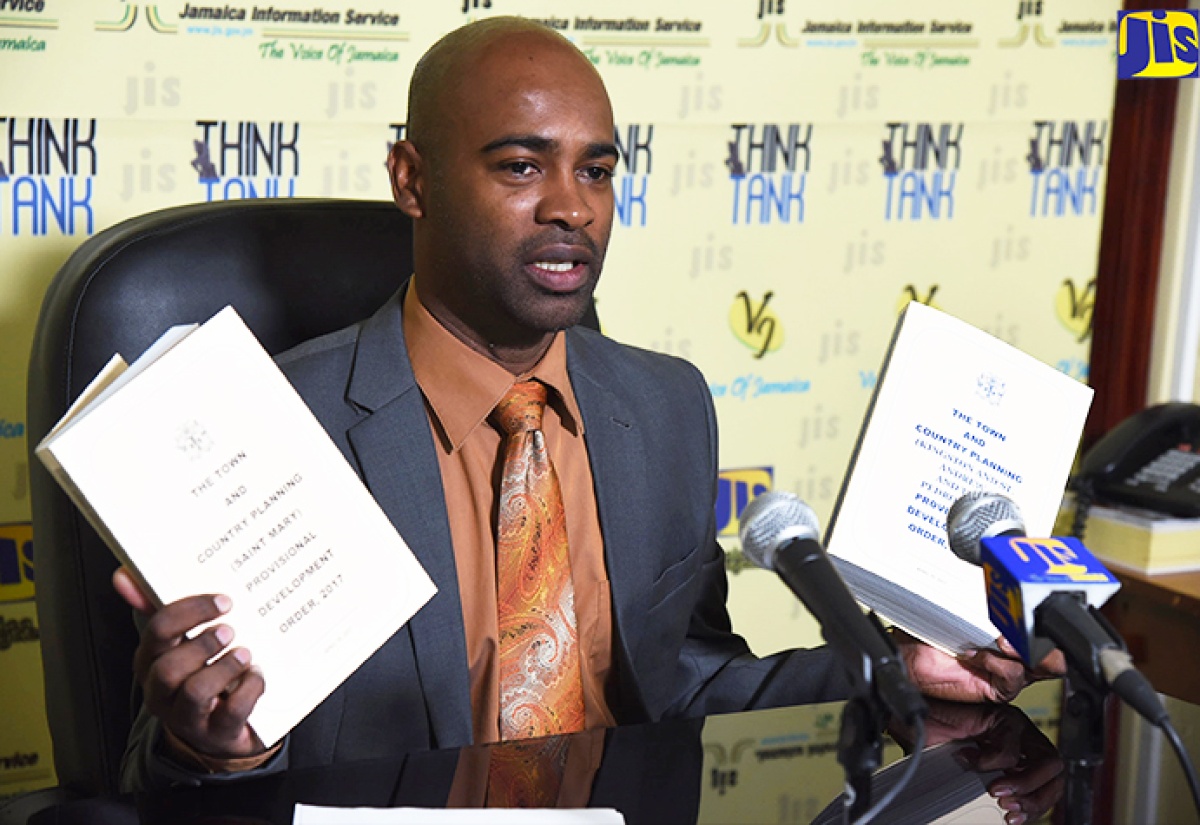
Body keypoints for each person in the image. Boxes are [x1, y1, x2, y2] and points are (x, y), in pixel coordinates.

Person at [114, 16, 1060, 790]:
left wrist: (888, 667)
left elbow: (686, 684)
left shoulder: (664, 405)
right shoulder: (270, 422)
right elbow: (159, 770)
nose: (573, 206)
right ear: (412, 180)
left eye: (597, 171)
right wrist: (216, 748)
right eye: (522, 167)